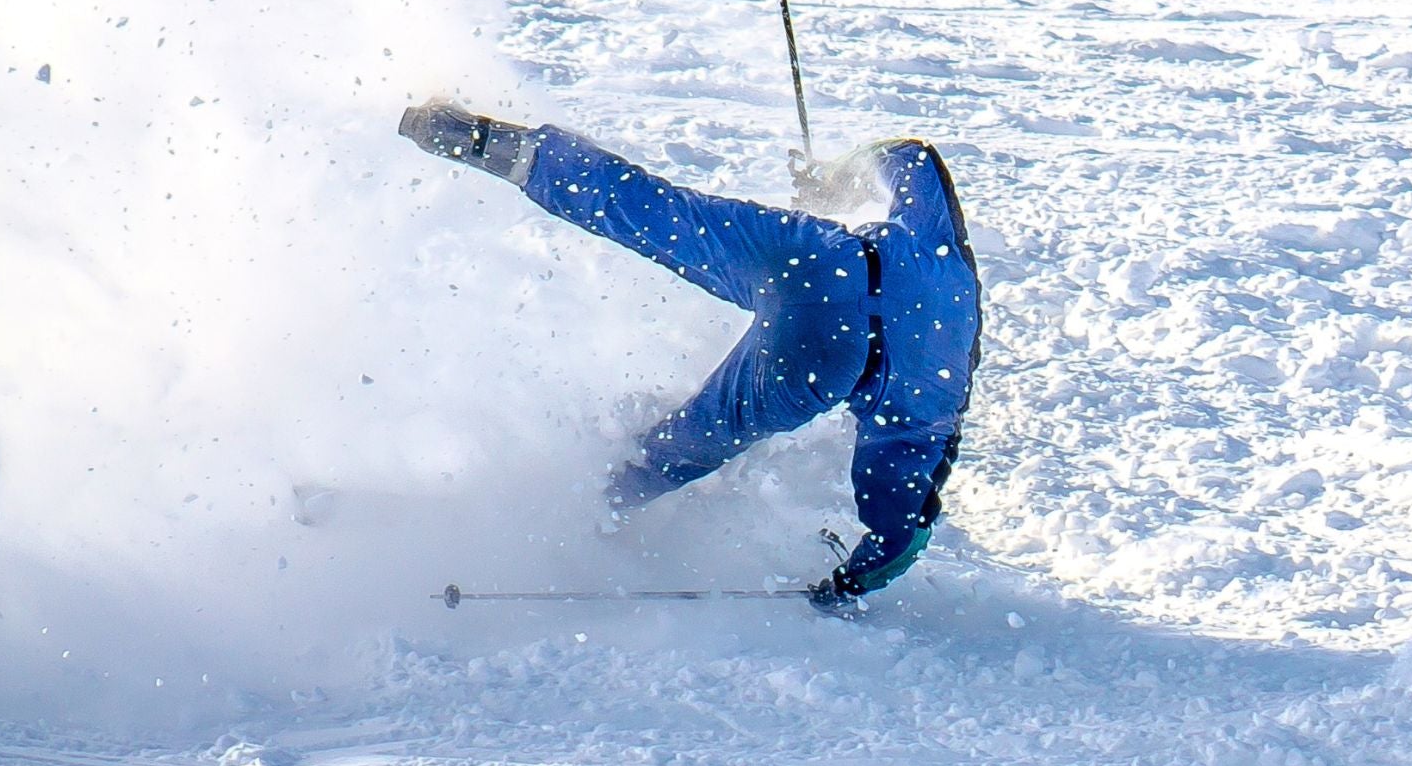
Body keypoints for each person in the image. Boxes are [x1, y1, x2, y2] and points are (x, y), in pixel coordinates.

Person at [398, 101, 981, 611]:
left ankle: (500, 147)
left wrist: (832, 180)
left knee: (663, 212)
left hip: (817, 259)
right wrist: (850, 582)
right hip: (819, 361)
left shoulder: (942, 248)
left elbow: (910, 156)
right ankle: (584, 507)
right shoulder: (934, 408)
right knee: (692, 444)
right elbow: (898, 533)